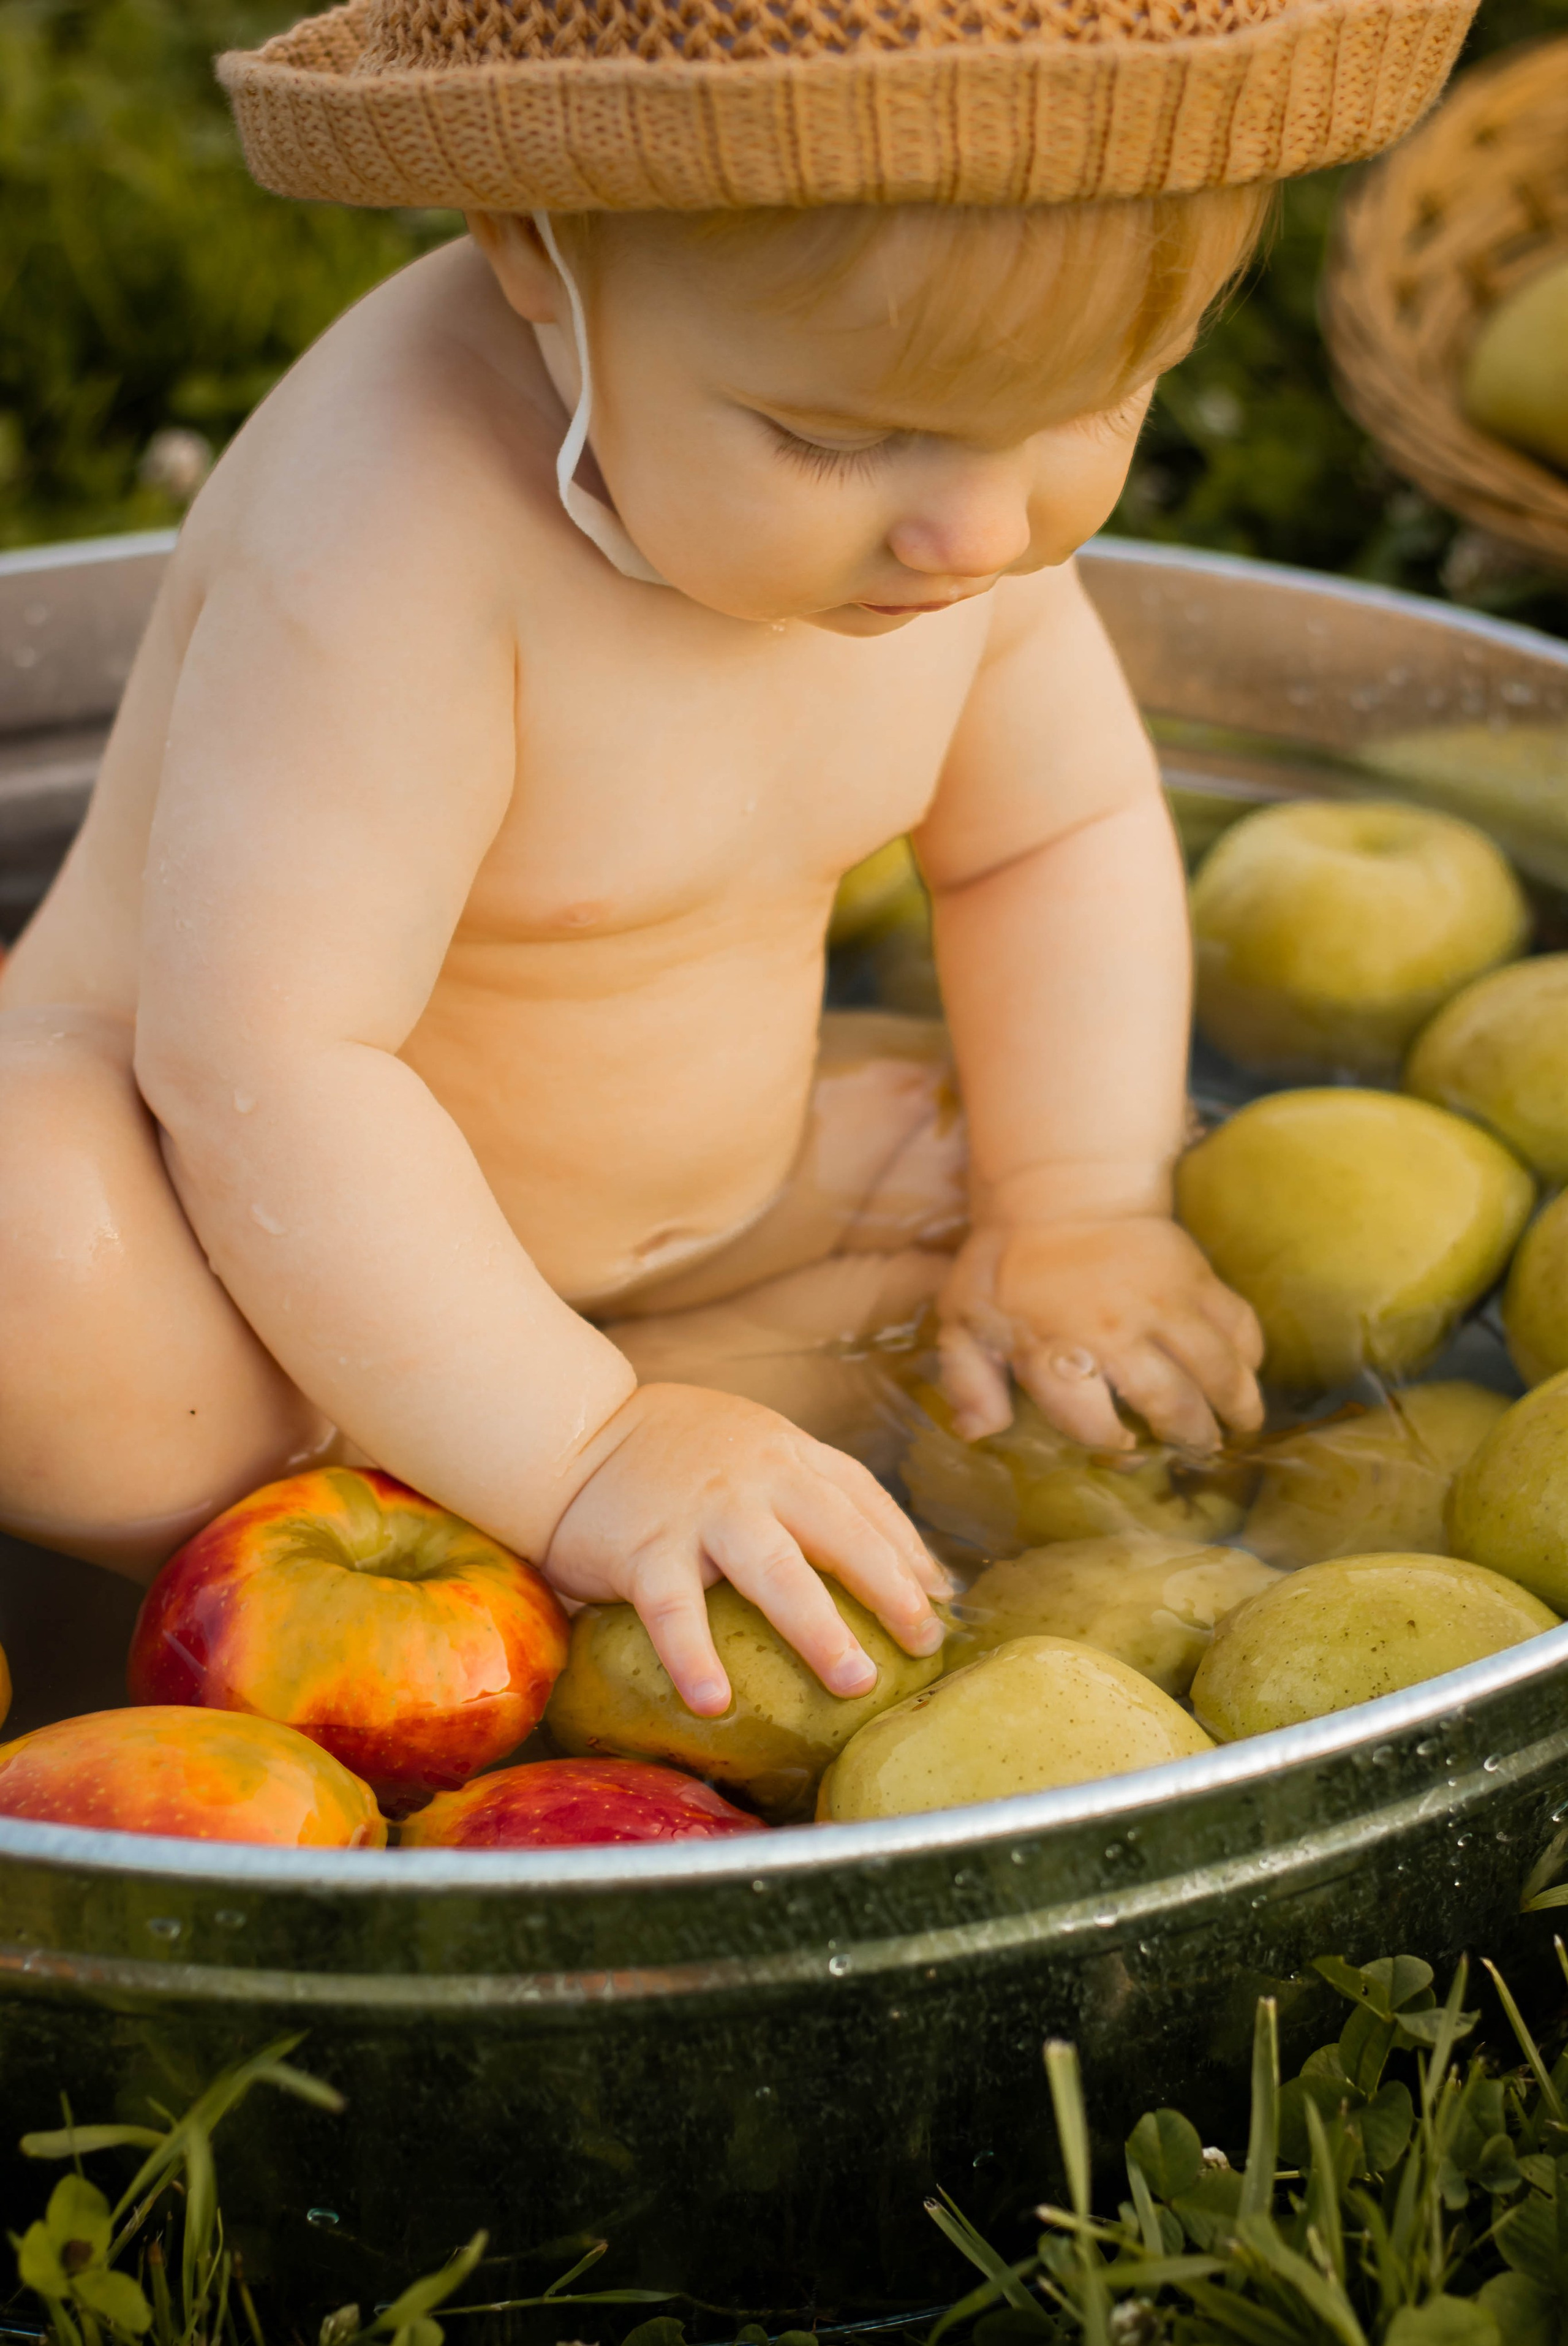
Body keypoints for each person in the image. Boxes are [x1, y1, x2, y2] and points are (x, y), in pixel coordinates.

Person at [0, 0, 1470, 1714]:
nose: (978, 536)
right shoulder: (393, 531)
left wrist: (1074, 1203)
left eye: (1097, 408)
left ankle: (668, 1407)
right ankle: (373, 1523)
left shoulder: (944, 496)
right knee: (48, 1278)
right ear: (537, 251)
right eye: (832, 437)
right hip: (230, 1232)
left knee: (1021, 1169)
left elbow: (1049, 841)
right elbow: (267, 1064)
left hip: (713, 1196)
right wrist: (584, 1443)